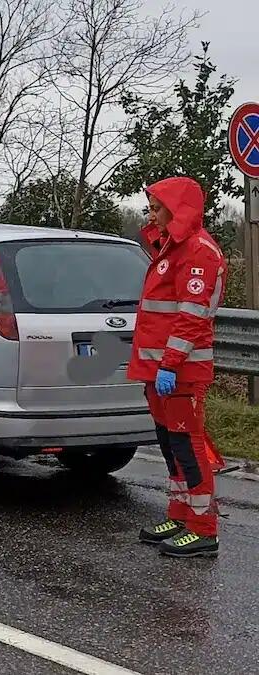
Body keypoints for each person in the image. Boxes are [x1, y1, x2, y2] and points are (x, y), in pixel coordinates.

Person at [129, 176, 227, 558]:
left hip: (180, 371)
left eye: (157, 207)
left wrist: (169, 364)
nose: (151, 214)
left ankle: (204, 528)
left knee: (187, 444)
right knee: (171, 445)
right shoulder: (172, 248)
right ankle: (181, 514)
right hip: (160, 371)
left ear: (177, 208)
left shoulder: (198, 252)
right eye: (150, 207)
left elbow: (192, 316)